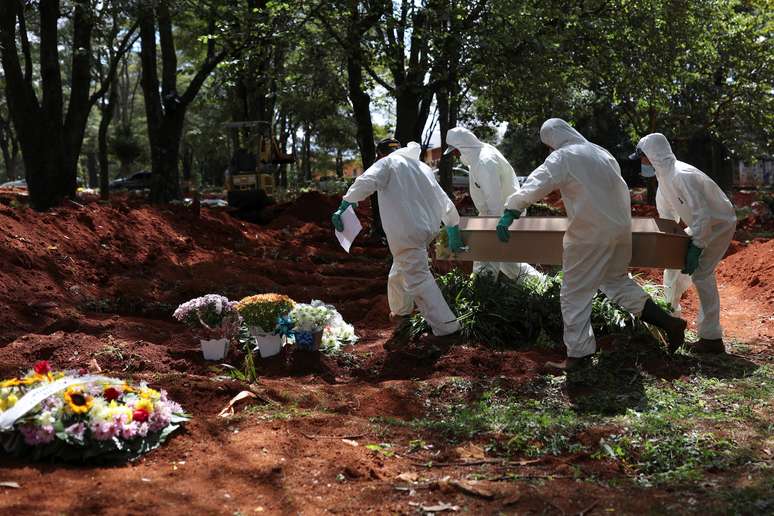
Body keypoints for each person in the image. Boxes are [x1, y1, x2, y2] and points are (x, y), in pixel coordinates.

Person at [496, 118, 687, 371]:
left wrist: (511, 210)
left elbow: (535, 184)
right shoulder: (601, 152)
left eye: (548, 145)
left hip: (589, 235)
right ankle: (670, 324)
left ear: (553, 140)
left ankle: (578, 356)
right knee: (615, 282)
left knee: (574, 293)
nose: (549, 150)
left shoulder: (563, 157)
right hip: (620, 231)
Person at [332, 138, 463, 337]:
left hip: (407, 233)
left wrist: (347, 202)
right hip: (425, 231)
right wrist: (452, 224)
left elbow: (367, 181)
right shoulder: (421, 167)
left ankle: (447, 329)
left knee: (418, 279)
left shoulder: (387, 163)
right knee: (399, 271)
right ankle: (401, 314)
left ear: (380, 154)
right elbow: (442, 198)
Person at [632, 133, 736, 353]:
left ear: (652, 156)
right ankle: (671, 318)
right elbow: (668, 220)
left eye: (642, 158)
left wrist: (696, 248)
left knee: (702, 273)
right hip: (701, 225)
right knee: (672, 267)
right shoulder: (664, 179)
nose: (642, 163)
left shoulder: (682, 175)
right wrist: (668, 245)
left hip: (719, 224)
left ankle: (711, 338)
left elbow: (703, 216)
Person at [444, 127, 543, 282]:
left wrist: (489, 228)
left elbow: (494, 203)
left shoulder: (484, 162)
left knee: (486, 260)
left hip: (501, 217)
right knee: (507, 262)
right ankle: (541, 285)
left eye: (455, 150)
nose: (455, 155)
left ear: (462, 147)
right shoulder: (478, 155)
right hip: (498, 214)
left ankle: (480, 296)